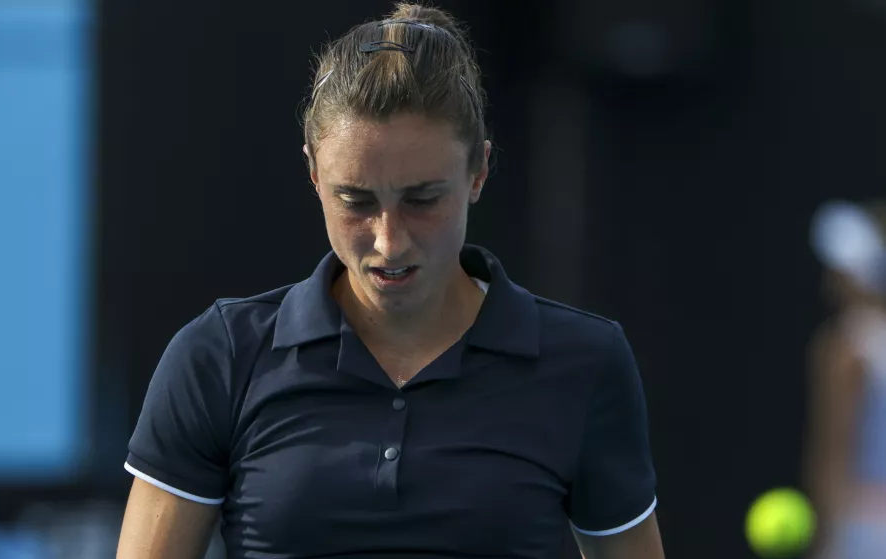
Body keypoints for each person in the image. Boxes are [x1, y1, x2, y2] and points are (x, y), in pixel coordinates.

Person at [116, 4, 664, 558]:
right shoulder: (220, 355)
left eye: (422, 200)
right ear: (314, 174)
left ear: (479, 171)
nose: (389, 241)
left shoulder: (584, 362)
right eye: (355, 201)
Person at [805, 200, 886, 559]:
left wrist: (826, 541)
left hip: (862, 531)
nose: (828, 282)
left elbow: (832, 451)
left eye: (836, 271)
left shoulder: (844, 348)